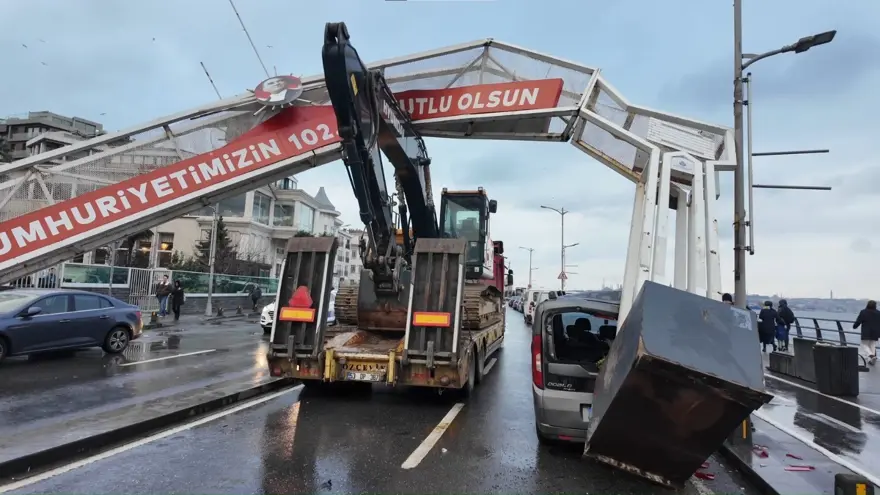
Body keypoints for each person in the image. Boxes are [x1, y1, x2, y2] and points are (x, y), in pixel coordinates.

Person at [853, 300, 880, 365]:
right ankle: (871, 360)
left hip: (866, 331)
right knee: (872, 345)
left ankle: (871, 355)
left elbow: (859, 321)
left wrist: (854, 326)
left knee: (864, 345)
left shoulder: (863, 312)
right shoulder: (878, 313)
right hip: (875, 331)